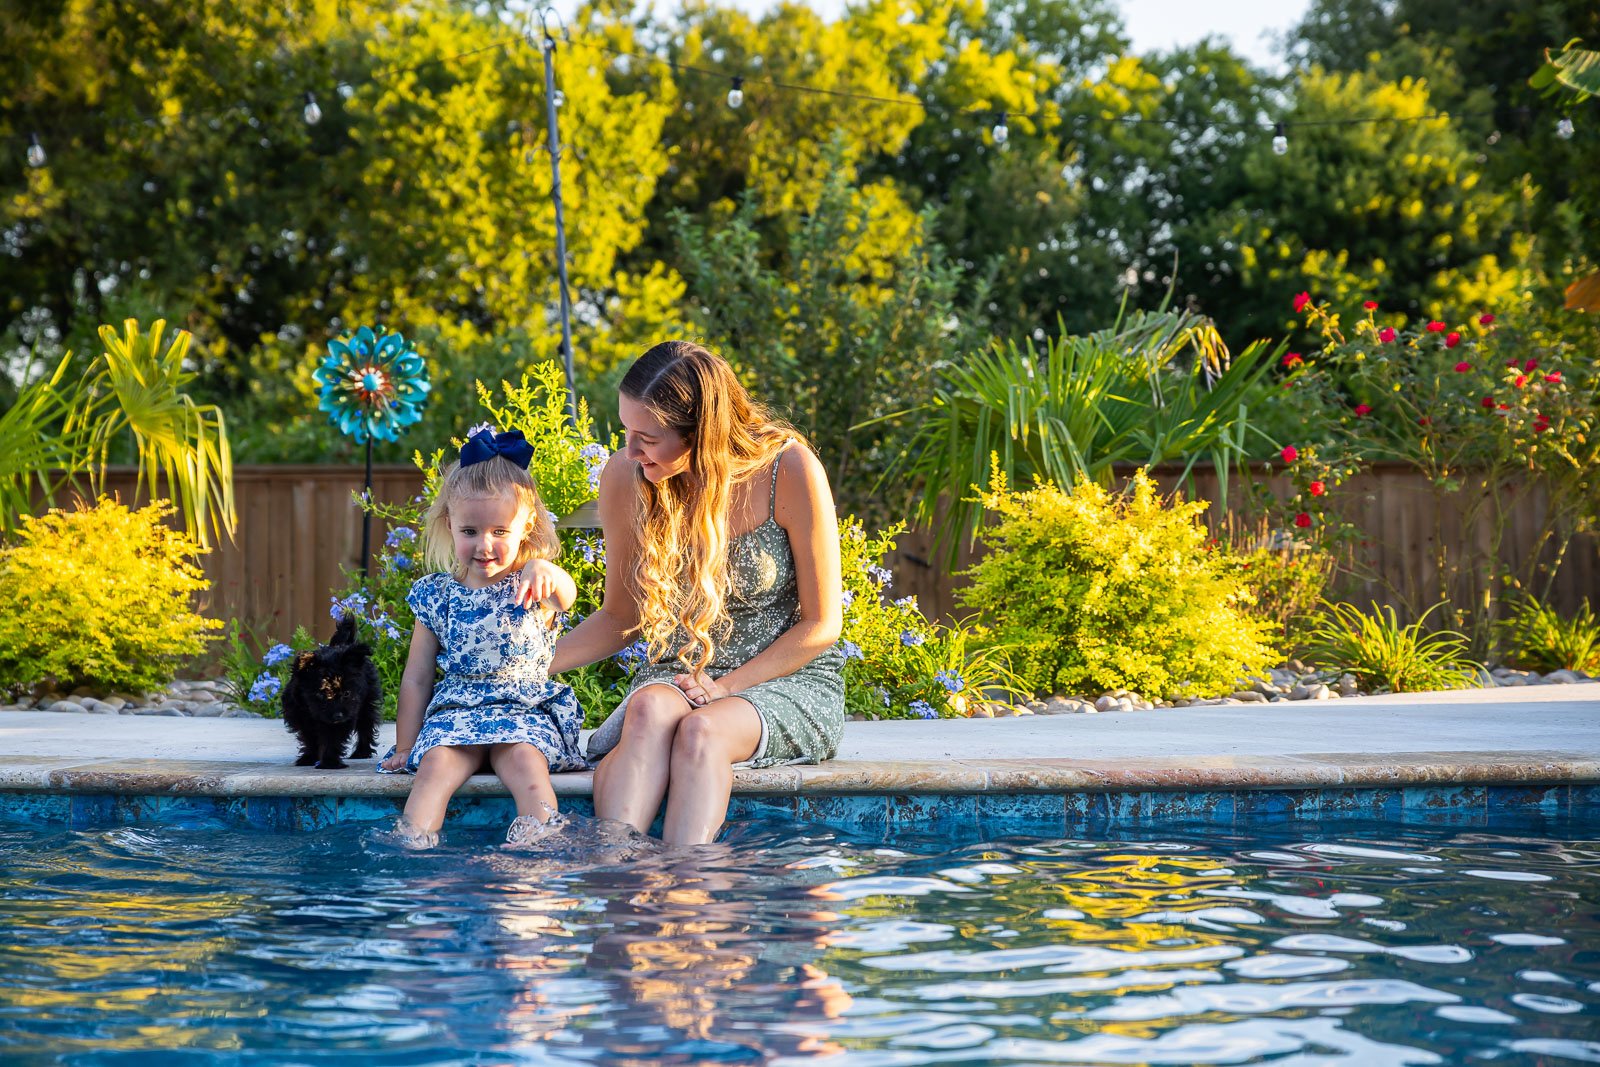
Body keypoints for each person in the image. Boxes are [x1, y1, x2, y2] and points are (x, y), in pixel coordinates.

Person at [547, 340, 846, 845]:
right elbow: (623, 615)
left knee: (702, 732)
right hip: (679, 675)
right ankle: (615, 873)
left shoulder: (788, 469)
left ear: (702, 435)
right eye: (625, 430)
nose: (629, 450)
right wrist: (526, 665)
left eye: (647, 437)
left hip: (784, 679)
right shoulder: (628, 477)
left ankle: (689, 888)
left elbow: (821, 625)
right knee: (647, 712)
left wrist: (725, 688)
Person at [377, 427, 589, 847]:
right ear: (449, 525)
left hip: (523, 712)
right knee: (434, 767)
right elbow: (417, 676)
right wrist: (405, 745)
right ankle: (414, 851)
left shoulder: (534, 582)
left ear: (527, 526)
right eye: (470, 531)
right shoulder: (438, 594)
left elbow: (568, 598)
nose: (484, 545)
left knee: (528, 767)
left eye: (500, 532)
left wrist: (548, 570)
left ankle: (539, 849)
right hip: (457, 713)